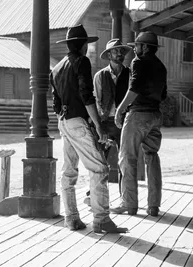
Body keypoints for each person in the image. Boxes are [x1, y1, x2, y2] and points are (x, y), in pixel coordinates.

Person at [50, 24, 127, 233]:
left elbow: (55, 104)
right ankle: (101, 219)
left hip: (63, 122)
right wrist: (99, 126)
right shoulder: (81, 62)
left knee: (69, 171)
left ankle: (72, 218)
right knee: (100, 168)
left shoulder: (57, 68)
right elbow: (87, 95)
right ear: (83, 45)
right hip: (77, 121)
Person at [111, 31, 167, 217]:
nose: (134, 49)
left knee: (127, 157)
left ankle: (129, 203)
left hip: (138, 115)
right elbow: (164, 94)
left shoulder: (138, 62)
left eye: (136, 46)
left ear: (144, 47)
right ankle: (153, 206)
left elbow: (134, 88)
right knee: (152, 156)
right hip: (155, 116)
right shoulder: (161, 67)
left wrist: (120, 109)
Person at [84, 39, 132, 206]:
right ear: (109, 55)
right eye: (115, 51)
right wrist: (98, 125)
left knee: (124, 161)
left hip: (124, 123)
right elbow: (96, 101)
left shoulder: (130, 74)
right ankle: (93, 196)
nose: (119, 54)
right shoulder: (100, 76)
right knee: (99, 160)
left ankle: (124, 199)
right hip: (104, 122)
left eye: (121, 51)